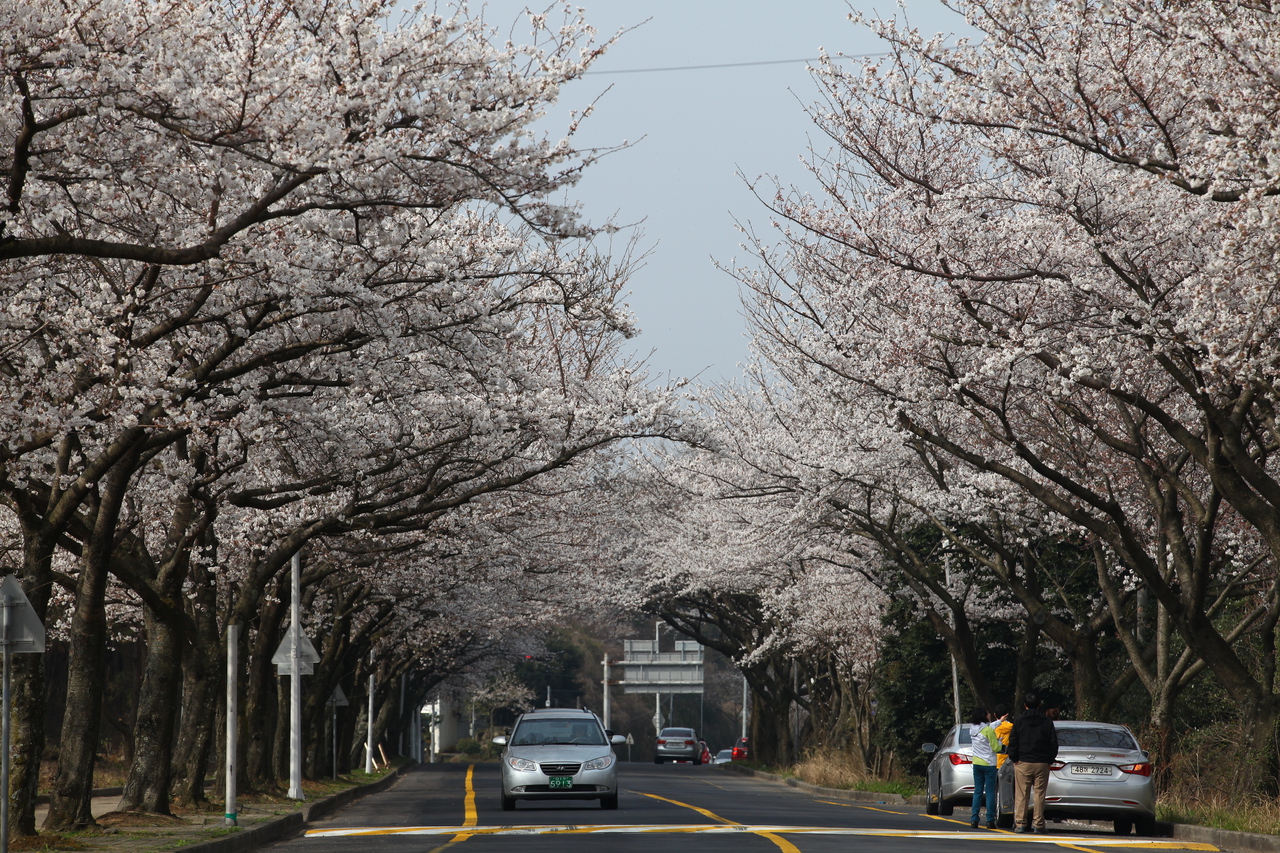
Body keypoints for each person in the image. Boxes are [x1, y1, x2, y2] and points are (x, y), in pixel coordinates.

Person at [1008, 691, 1058, 834]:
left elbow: (1013, 741)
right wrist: (1050, 760)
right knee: (1039, 794)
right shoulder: (1047, 721)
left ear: (1025, 705)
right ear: (1039, 705)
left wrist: (1015, 758)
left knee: (1022, 794)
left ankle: (1020, 823)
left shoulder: (1019, 720)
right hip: (1042, 762)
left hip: (1023, 761)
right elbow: (1053, 743)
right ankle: (1039, 824)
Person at [968, 707, 1002, 829]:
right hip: (989, 764)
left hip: (976, 763)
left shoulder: (972, 730)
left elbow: (987, 727)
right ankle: (990, 819)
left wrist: (999, 721)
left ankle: (974, 818)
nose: (989, 715)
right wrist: (1001, 742)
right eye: (987, 713)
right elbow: (996, 748)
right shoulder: (988, 731)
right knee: (989, 792)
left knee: (977, 791)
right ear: (983, 715)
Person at [993, 704, 1012, 769]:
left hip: (994, 761)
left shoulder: (991, 728)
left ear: (995, 715)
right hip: (1008, 761)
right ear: (1007, 714)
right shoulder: (1012, 727)